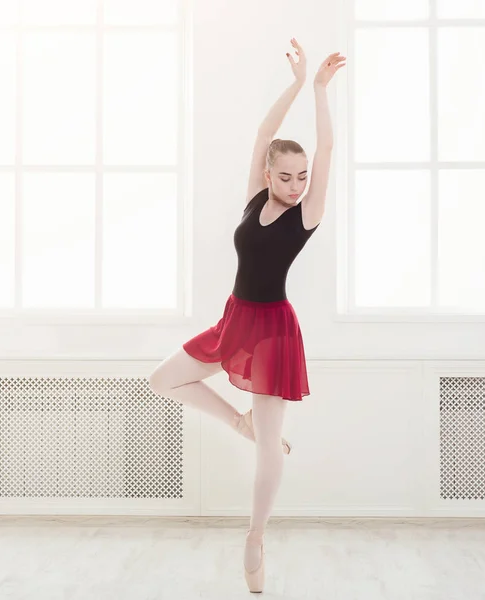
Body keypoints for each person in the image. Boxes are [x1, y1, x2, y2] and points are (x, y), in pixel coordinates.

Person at [149, 38, 346, 593]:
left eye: (301, 177)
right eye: (285, 176)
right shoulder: (256, 197)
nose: (295, 184)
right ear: (268, 173)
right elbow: (263, 135)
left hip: (274, 331)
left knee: (269, 444)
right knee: (163, 378)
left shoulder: (307, 212)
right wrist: (294, 84)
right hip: (234, 317)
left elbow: (327, 152)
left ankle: (255, 537)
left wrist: (321, 92)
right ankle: (238, 422)